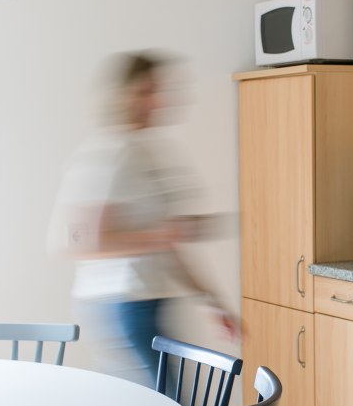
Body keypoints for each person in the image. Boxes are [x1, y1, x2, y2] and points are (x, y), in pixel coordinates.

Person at [48, 51, 236, 388]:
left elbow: (167, 244)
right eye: (147, 91)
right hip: (119, 305)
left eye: (160, 91)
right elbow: (76, 240)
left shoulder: (146, 152)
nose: (157, 101)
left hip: (146, 303)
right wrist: (159, 235)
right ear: (123, 95)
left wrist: (211, 301)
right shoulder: (111, 153)